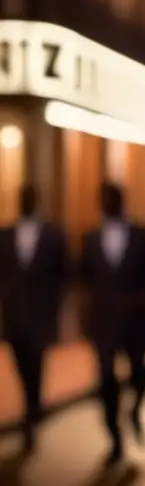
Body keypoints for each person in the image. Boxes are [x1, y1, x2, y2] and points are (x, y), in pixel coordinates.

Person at [80, 182, 145, 465]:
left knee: (141, 374)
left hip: (136, 322)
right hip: (103, 324)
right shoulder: (90, 239)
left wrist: (140, 299)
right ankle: (115, 440)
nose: (108, 204)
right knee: (106, 380)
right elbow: (82, 279)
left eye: (112, 199)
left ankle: (134, 411)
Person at [0, 185, 68, 452]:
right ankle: (31, 407)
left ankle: (33, 411)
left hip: (41, 316)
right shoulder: (5, 234)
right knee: (20, 364)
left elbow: (63, 275)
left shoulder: (53, 235)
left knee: (36, 364)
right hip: (13, 315)